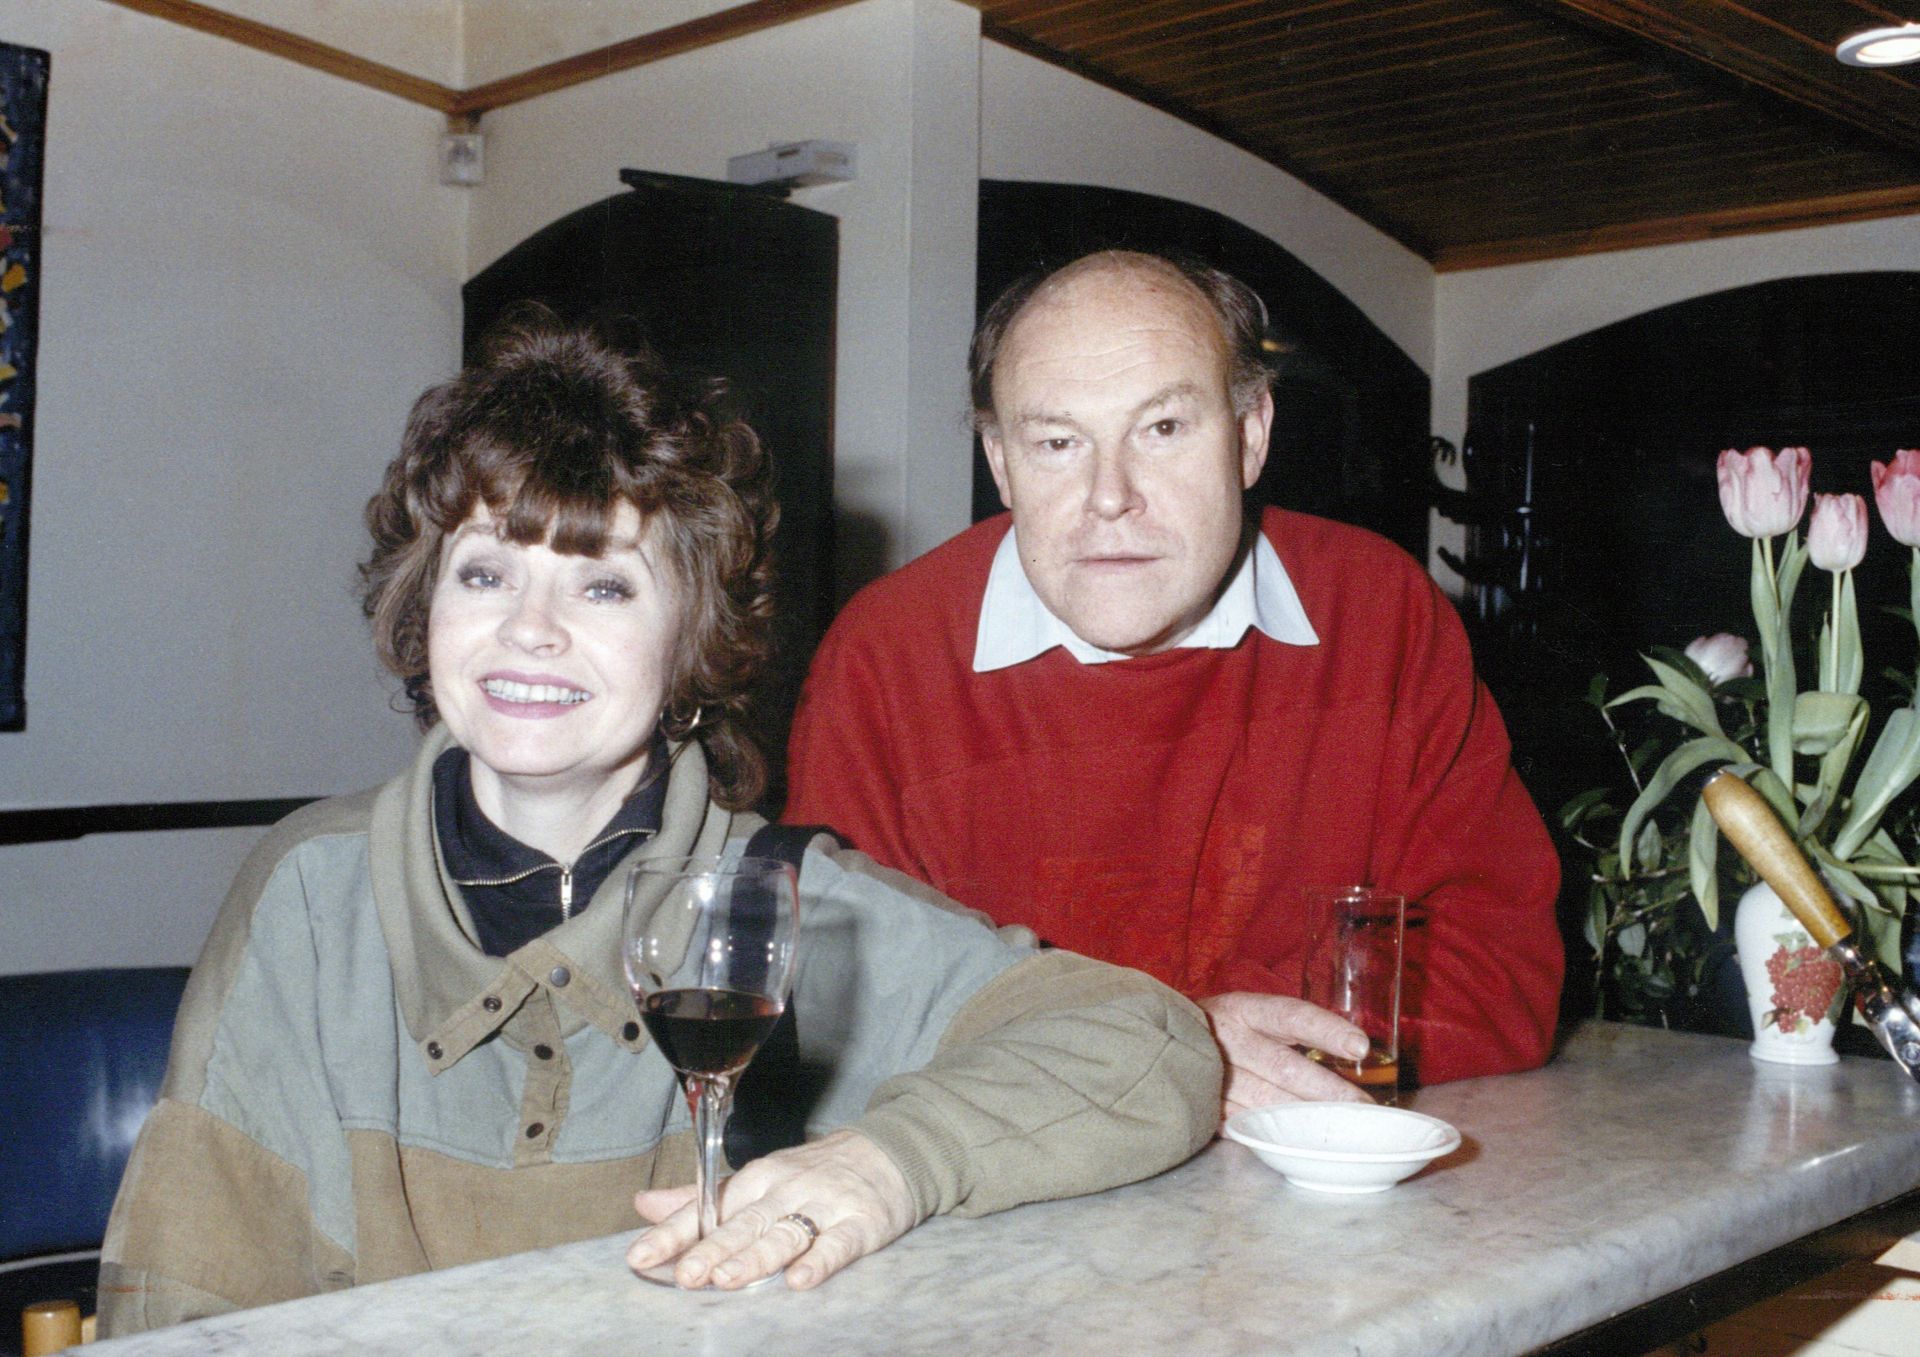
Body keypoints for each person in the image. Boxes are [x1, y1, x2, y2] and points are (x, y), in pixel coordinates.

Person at [97, 319, 1220, 1335]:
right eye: (485, 571)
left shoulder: (775, 901)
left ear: (691, 636)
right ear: (422, 606)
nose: (529, 631)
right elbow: (181, 1299)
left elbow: (1148, 1045)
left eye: (603, 589)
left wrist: (888, 1166)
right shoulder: (305, 891)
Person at [785, 251, 1563, 1120]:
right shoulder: (885, 659)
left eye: (1162, 429)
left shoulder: (1381, 615)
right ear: (1000, 463)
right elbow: (835, 1027)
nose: (1109, 496)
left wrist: (1211, 1050)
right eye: (1056, 443)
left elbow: (1502, 967)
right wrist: (1175, 1045)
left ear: (1251, 435)